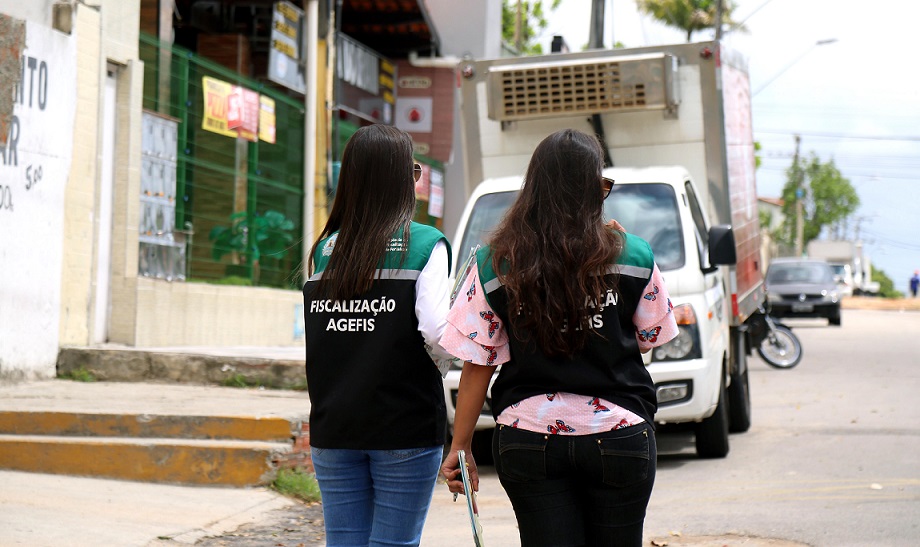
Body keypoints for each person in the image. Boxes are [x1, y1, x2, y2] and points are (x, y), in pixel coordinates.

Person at [439, 129, 679, 547]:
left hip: (528, 439)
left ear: (534, 188)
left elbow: (478, 362)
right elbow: (649, 336)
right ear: (592, 189)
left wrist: (461, 448)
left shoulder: (495, 262)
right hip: (619, 432)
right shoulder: (633, 254)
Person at [302, 124, 452, 547]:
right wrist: (445, 364)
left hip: (334, 425)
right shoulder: (425, 244)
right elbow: (437, 332)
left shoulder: (325, 249)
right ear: (401, 179)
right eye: (414, 171)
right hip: (404, 424)